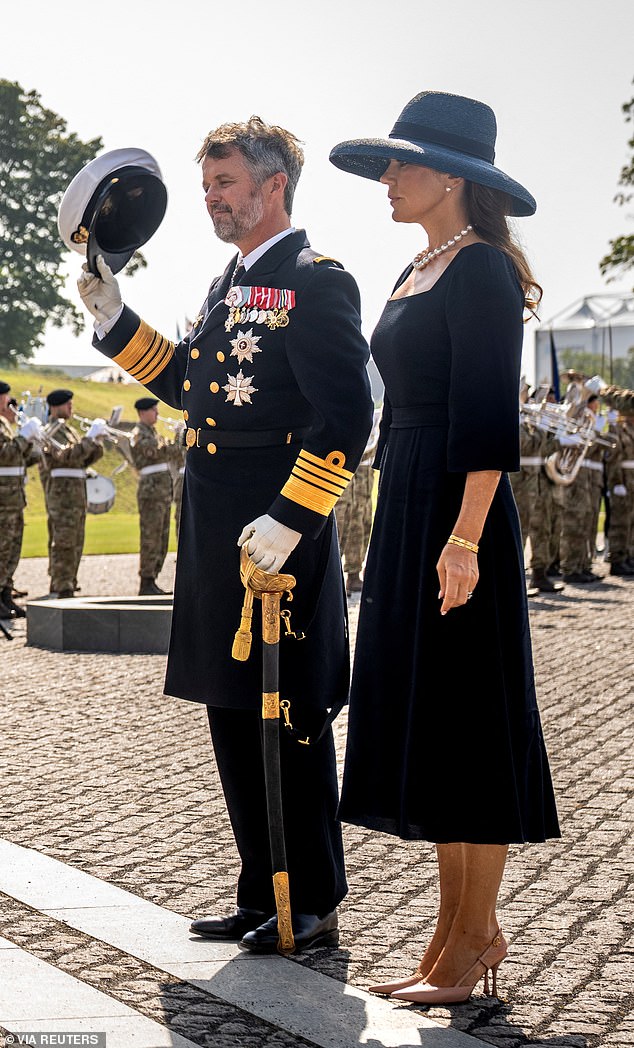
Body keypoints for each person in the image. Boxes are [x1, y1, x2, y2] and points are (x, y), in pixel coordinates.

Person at [76, 117, 373, 953]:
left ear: (274, 186)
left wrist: (292, 516)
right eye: (206, 187)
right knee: (234, 710)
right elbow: (187, 384)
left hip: (279, 535)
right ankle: (259, 888)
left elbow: (350, 414)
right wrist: (115, 317)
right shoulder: (228, 283)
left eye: (226, 184)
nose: (211, 200)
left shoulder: (316, 282)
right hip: (217, 526)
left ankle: (308, 897)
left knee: (290, 715)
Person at [329, 90, 560, 1004]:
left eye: (401, 163)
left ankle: (473, 939)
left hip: (454, 514)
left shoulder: (481, 272)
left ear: (452, 176)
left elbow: (485, 423)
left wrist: (464, 541)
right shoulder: (420, 268)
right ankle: (452, 935)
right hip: (407, 497)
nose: (387, 177)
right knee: (432, 718)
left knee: (468, 719)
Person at [39, 389, 106, 598]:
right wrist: (88, 439)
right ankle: (61, 583)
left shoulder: (68, 431)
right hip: (62, 495)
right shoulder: (50, 430)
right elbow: (64, 456)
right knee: (64, 540)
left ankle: (69, 579)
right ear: (55, 406)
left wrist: (97, 442)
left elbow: (82, 460)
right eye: (67, 404)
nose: (71, 407)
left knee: (76, 539)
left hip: (75, 493)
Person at [129, 396, 183, 595]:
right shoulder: (138, 434)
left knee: (161, 535)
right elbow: (155, 452)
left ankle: (153, 577)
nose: (158, 414)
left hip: (161, 491)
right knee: (151, 535)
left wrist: (179, 439)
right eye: (154, 410)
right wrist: (176, 440)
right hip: (151, 492)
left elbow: (174, 454)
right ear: (143, 413)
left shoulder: (153, 432)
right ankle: (146, 580)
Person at [0, 382, 43, 618]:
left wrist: (29, 442)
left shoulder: (5, 426)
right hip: (3, 501)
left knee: (12, 550)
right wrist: (22, 439)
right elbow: (5, 455)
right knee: (2, 548)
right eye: (4, 398)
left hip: (14, 499)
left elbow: (18, 460)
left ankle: (6, 594)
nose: (7, 402)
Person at [334, 404, 381, 594]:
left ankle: (354, 573)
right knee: (339, 516)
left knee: (361, 517)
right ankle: (334, 572)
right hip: (339, 463)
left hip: (364, 468)